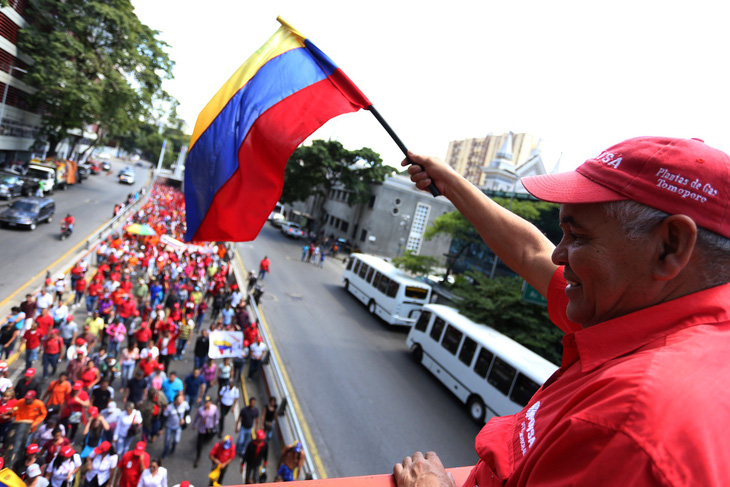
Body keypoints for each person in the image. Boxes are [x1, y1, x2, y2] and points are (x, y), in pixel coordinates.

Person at [393, 137, 730, 486]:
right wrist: (449, 183)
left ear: (669, 246)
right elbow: (530, 253)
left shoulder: (630, 423)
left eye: (579, 237)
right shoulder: (645, 312)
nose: (559, 254)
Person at [191, 395, 218, 468]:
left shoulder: (214, 408)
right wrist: (193, 424)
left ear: (210, 403)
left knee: (208, 437)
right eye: (205, 402)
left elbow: (216, 416)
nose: (206, 404)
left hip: (210, 428)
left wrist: (216, 423)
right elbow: (196, 417)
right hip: (202, 428)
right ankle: (198, 457)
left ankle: (206, 440)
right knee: (199, 444)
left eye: (208, 402)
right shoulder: (200, 410)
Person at [161, 393, 188, 459]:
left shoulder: (185, 404)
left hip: (178, 426)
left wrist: (184, 419)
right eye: (179, 399)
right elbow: (164, 417)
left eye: (182, 399)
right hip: (169, 426)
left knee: (176, 440)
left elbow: (187, 411)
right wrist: (161, 428)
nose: (181, 401)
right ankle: (165, 453)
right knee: (167, 441)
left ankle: (173, 447)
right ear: (175, 400)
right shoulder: (169, 407)